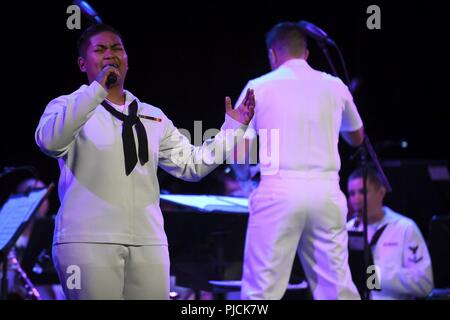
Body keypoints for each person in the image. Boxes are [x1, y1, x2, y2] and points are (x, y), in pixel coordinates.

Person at [34, 23, 255, 300]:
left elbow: (191, 166)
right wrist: (95, 91)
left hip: (148, 242)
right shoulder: (66, 106)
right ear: (82, 63)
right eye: (100, 49)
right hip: (88, 241)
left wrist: (232, 129)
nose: (110, 54)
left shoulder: (153, 116)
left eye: (117, 48)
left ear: (127, 59)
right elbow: (50, 143)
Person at [233, 21, 364, 300]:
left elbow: (237, 149)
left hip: (278, 190)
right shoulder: (334, 85)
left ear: (272, 55)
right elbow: (357, 137)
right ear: (306, 54)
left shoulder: (258, 87)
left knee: (261, 291)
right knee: (337, 289)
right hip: (325, 191)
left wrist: (245, 179)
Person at [346, 167, 434, 299]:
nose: (356, 199)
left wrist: (373, 276)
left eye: (362, 192)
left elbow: (424, 283)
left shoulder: (404, 228)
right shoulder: (347, 230)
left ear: (381, 192)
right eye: (352, 193)